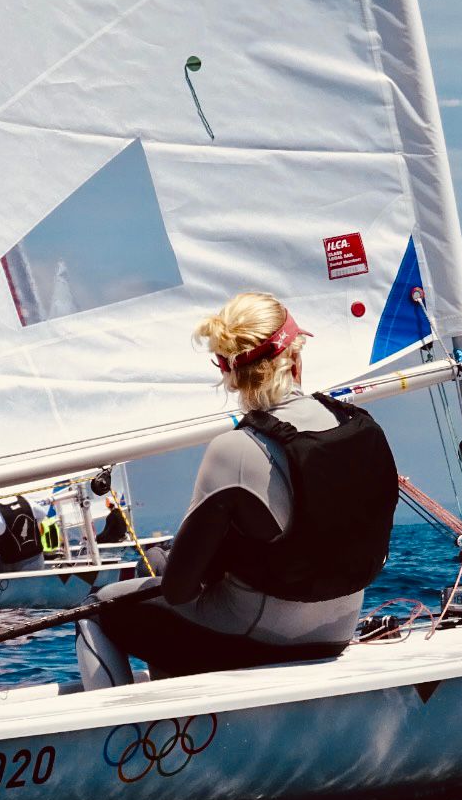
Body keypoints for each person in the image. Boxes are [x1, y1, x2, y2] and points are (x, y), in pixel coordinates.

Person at [75, 291, 397, 688]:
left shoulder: (237, 449)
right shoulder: (360, 425)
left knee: (95, 608)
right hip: (338, 631)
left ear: (228, 373)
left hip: (260, 638)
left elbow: (178, 590)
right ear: (295, 357)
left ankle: (131, 741)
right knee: (158, 570)